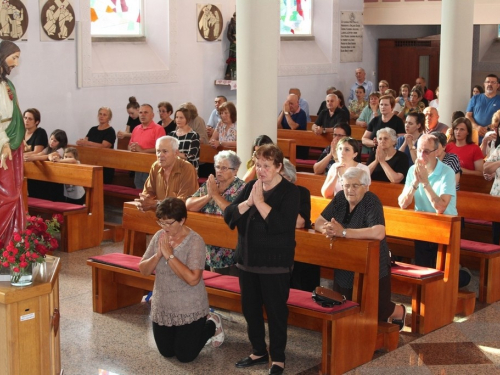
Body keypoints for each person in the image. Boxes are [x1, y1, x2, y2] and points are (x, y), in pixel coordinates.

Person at [224, 144, 299, 374]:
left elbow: (281, 225)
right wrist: (248, 202)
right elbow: (229, 216)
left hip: (275, 264)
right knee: (250, 309)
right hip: (247, 260)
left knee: (276, 312)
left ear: (278, 167)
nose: (261, 170)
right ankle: (258, 351)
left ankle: (278, 358)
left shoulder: (290, 192)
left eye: (266, 165)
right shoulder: (250, 188)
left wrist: (260, 203)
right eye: (258, 165)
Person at [315, 167, 406, 329]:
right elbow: (319, 221)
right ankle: (351, 332)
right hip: (346, 258)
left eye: (355, 186)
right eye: (346, 185)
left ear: (366, 186)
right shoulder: (340, 199)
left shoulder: (371, 201)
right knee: (344, 301)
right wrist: (326, 228)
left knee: (375, 306)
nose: (349, 190)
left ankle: (399, 312)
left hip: (373, 260)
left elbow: (379, 232)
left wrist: (343, 232)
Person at [138, 198, 224, 362]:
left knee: (185, 356)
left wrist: (169, 255)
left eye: (169, 223)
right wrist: (158, 255)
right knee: (167, 352)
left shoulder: (195, 241)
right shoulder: (159, 236)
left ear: (182, 220)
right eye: (161, 222)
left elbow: (193, 279)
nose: (165, 227)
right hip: (163, 304)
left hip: (189, 305)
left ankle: (212, 323)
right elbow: (143, 270)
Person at [398, 134, 457, 268]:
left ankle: (462, 276)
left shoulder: (447, 172)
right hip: (423, 224)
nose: (421, 155)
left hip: (445, 225)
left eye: (426, 151)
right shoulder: (412, 170)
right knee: (423, 268)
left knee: (441, 271)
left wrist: (425, 182)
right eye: (419, 150)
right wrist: (415, 182)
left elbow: (441, 207)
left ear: (436, 152)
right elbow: (402, 203)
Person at [186, 150, 245, 275]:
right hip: (208, 247)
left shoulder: (242, 188)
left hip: (231, 251)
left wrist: (215, 195)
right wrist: (208, 196)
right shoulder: (211, 185)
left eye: (224, 168)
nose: (219, 171)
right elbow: (189, 204)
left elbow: (234, 212)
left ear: (235, 170)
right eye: (217, 167)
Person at [0, 40, 24, 246]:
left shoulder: (8, 84)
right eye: (14, 57)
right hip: (3, 143)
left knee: (14, 192)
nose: (16, 63)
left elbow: (14, 112)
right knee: (7, 195)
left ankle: (11, 243)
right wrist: (4, 142)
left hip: (12, 143)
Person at [281, 158, 318, 292]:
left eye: (281, 176)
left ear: (290, 178)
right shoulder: (269, 192)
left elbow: (299, 222)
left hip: (302, 247)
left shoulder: (301, 192)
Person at [76, 106, 117, 183]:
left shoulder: (110, 131)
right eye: (100, 114)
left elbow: (104, 146)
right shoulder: (93, 129)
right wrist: (81, 142)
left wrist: (87, 143)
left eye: (104, 115)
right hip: (90, 162)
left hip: (105, 164)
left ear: (109, 118)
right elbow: (85, 142)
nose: (101, 116)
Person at [25, 129, 68, 202]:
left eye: (55, 141)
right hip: (48, 176)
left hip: (56, 179)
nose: (52, 142)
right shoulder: (48, 148)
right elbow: (39, 154)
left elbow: (47, 157)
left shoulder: (62, 150)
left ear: (61, 143)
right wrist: (23, 155)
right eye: (51, 139)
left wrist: (33, 158)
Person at [129, 104, 165, 189]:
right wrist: (132, 148)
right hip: (138, 165)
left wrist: (142, 150)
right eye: (141, 112)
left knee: (150, 191)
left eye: (146, 112)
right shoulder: (136, 129)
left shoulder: (158, 129)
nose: (142, 115)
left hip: (152, 166)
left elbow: (161, 149)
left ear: (152, 115)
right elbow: (130, 145)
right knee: (138, 187)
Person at [466, 74, 500, 139]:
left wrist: (487, 129)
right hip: (475, 137)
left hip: (493, 138)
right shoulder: (475, 98)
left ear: (498, 85)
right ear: (484, 84)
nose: (490, 84)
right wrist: (476, 127)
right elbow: (468, 116)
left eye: (493, 82)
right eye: (487, 82)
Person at [277, 93, 308, 159]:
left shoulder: (302, 113)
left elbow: (293, 127)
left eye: (291, 104)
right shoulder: (285, 112)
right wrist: (283, 111)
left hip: (299, 145)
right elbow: (276, 125)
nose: (289, 106)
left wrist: (286, 113)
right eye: (288, 104)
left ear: (297, 103)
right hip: (285, 143)